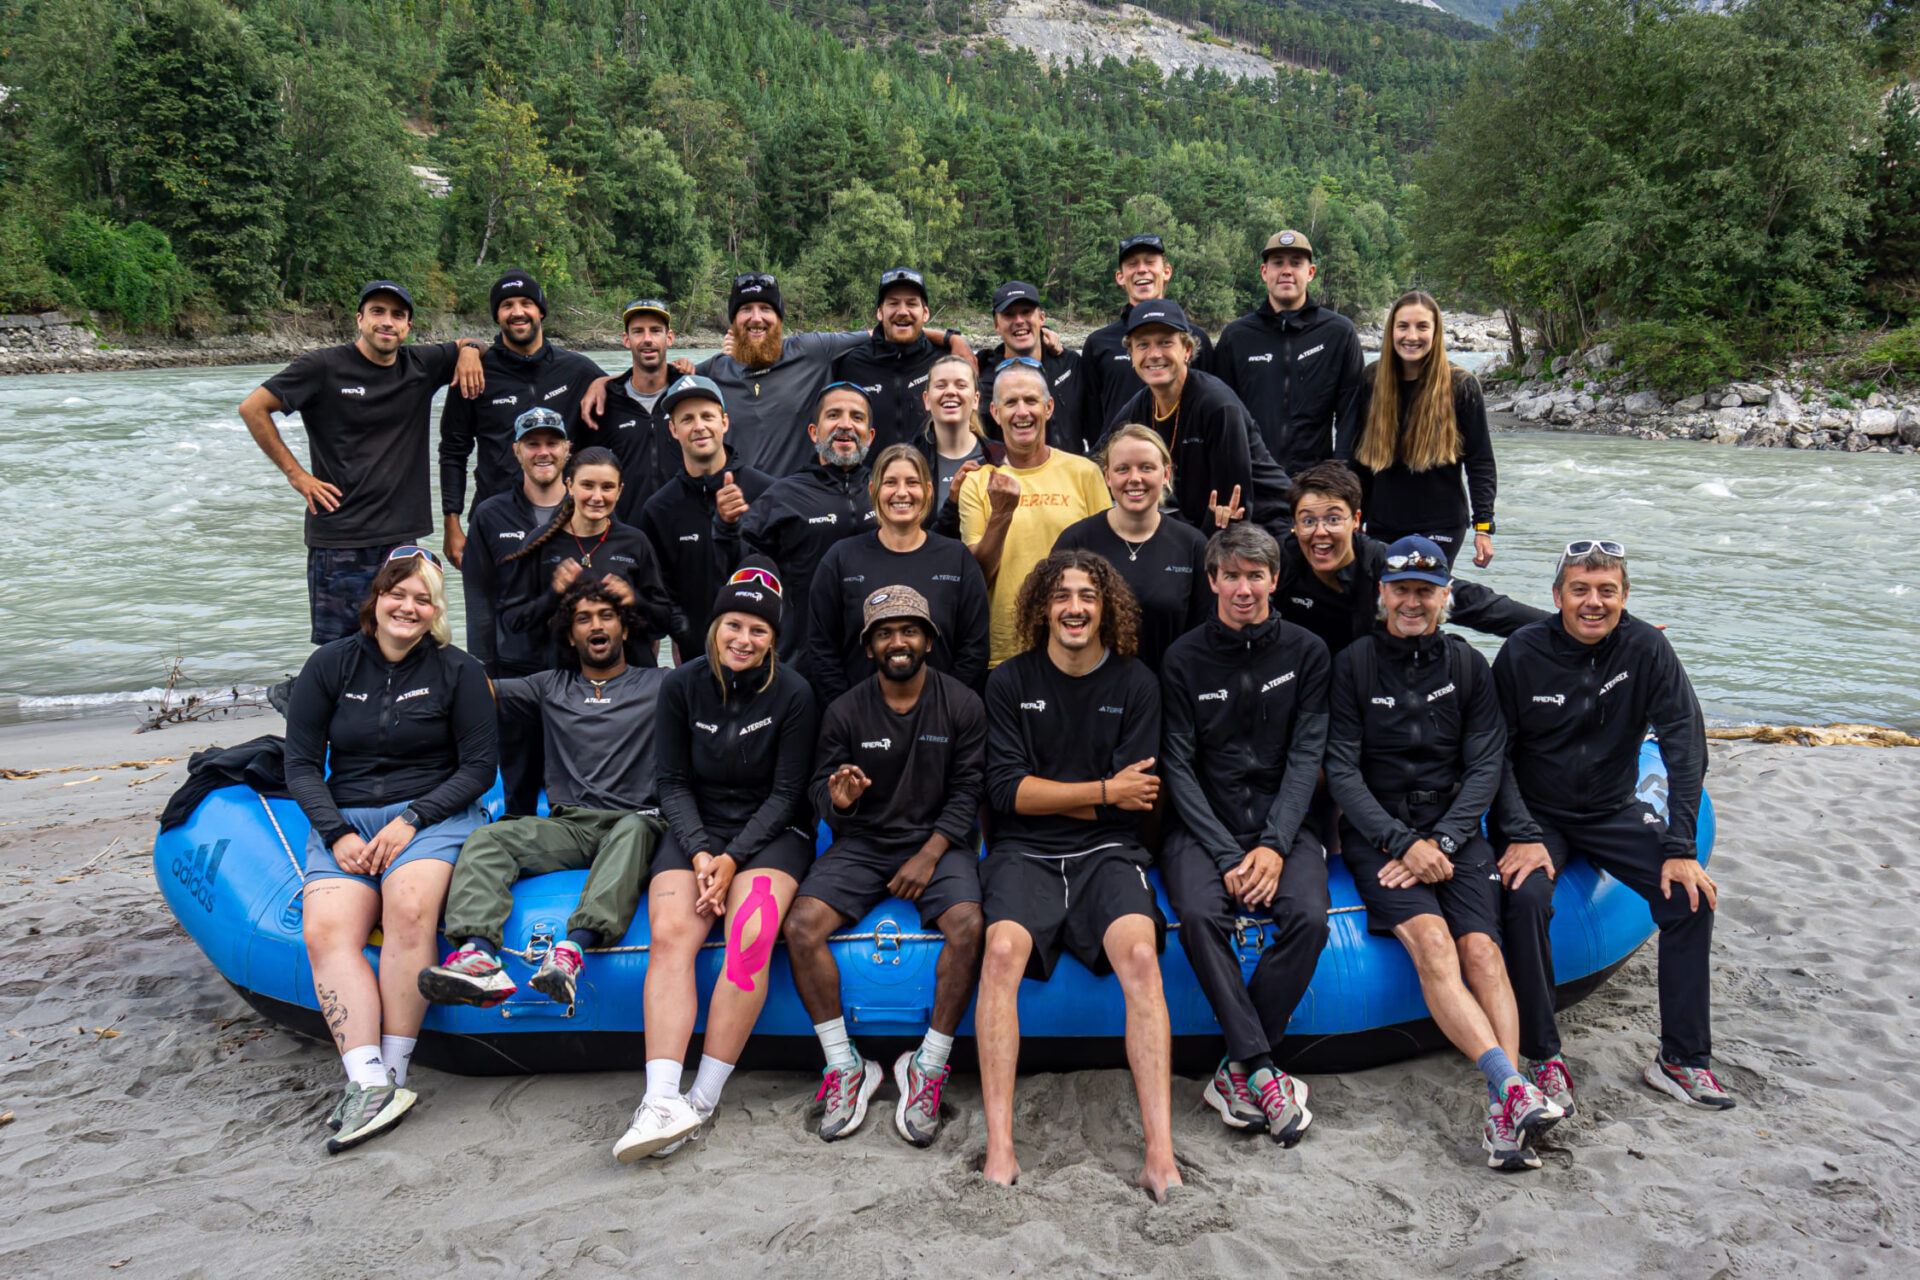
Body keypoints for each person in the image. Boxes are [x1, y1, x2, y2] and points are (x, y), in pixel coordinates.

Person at [1324, 536, 1563, 1173]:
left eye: (1425, 591)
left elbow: (1486, 763)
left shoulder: (1468, 666)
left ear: (1444, 597)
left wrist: (1446, 842)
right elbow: (1341, 770)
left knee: (1482, 950)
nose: (1412, 601)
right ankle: (1512, 1088)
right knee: (1433, 945)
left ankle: (1502, 1110)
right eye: (1400, 589)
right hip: (1381, 833)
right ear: (1382, 594)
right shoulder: (1352, 665)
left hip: (1454, 828)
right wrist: (1402, 843)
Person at [1491, 541, 1727, 1113]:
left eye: (1606, 591)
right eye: (1580, 590)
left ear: (1624, 598)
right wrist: (1520, 832)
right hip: (1538, 816)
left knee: (1690, 900)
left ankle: (1680, 1060)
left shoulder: (1647, 647)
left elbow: (1684, 746)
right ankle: (1543, 1058)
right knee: (1524, 901)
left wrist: (1679, 846)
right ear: (1557, 597)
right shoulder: (1523, 652)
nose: (1592, 603)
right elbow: (1493, 753)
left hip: (1613, 808)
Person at [977, 549, 1179, 1200]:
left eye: (1088, 596)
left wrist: (1069, 794)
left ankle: (1160, 1154)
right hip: (1023, 852)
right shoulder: (1008, 684)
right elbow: (1008, 793)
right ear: (1042, 607)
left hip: (1107, 854)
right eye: (1062, 595)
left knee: (1142, 959)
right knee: (1002, 949)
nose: (1074, 607)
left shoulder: (1136, 684)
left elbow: (1138, 796)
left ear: (1105, 608)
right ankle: (1001, 1150)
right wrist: (1099, 790)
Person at [282, 549, 497, 1154]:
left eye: (423, 598)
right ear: (375, 600)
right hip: (346, 818)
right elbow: (300, 764)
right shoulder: (330, 664)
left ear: (435, 611)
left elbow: (480, 767)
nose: (408, 607)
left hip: (435, 815)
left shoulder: (459, 670)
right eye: (397, 594)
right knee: (326, 930)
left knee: (407, 908)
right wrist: (336, 833)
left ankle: (396, 1070)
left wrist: (413, 819)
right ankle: (368, 1080)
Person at [613, 566, 819, 1161]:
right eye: (734, 624)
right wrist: (702, 850)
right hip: (696, 826)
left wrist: (731, 860)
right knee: (673, 932)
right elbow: (670, 781)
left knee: (750, 935)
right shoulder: (680, 686)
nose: (743, 639)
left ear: (774, 638)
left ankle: (700, 1100)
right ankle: (659, 1100)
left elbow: (786, 796)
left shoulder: (796, 695)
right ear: (715, 627)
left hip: (772, 832)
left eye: (758, 629)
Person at [783, 588, 988, 1145]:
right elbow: (818, 793)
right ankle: (846, 1066)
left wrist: (930, 853)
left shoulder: (963, 703)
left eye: (909, 630)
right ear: (869, 645)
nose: (898, 641)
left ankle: (927, 1066)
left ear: (928, 639)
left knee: (970, 927)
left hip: (938, 845)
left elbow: (970, 789)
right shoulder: (845, 709)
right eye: (884, 633)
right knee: (800, 927)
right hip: (865, 844)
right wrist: (840, 799)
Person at [418, 578, 670, 1010]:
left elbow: (720, 667)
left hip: (637, 820)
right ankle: (478, 955)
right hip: (571, 825)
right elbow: (476, 686)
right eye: (584, 619)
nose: (597, 625)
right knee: (488, 838)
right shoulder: (550, 686)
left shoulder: (662, 684)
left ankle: (572, 951)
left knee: (634, 827)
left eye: (607, 616)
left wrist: (641, 597)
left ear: (625, 630)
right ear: (571, 636)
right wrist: (426, 627)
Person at [1158, 523, 1329, 1144]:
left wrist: (1274, 844)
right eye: (1231, 576)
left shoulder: (1308, 652)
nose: (1243, 589)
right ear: (1212, 582)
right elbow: (1176, 765)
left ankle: (1239, 1065)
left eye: (1256, 576)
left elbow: (1309, 755)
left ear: (1275, 580)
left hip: (1283, 823)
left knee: (1310, 918)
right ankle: (1260, 1066)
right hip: (1203, 827)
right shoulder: (1182, 658)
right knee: (1202, 916)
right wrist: (1230, 853)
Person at [239, 280, 485, 646]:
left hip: (401, 538)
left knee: (405, 644)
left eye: (397, 315)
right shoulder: (322, 367)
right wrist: (297, 476)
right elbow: (253, 408)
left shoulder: (420, 364)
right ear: (359, 319)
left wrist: (469, 353)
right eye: (377, 312)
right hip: (340, 537)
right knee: (340, 651)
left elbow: (473, 343)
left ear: (408, 327)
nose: (387, 322)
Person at [673, 273, 968, 478]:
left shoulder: (813, 349)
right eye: (745, 310)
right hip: (739, 502)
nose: (756, 318)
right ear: (733, 322)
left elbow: (888, 330)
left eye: (766, 308)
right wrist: (681, 369)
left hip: (805, 496)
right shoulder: (712, 371)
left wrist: (953, 340)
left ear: (779, 318)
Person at [1276, 461, 1546, 661]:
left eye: (1334, 519)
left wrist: (1561, 626)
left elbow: (1473, 603)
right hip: (1310, 687)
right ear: (1295, 525)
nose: (1320, 532)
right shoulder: (1280, 563)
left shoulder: (1384, 562)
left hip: (1373, 686)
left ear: (1357, 521)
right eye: (1308, 521)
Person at [438, 271, 608, 566]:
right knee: (493, 610)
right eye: (507, 305)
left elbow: (629, 397)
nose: (517, 312)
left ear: (541, 310)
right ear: (497, 315)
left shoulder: (578, 371)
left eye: (526, 303)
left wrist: (608, 381)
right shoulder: (475, 374)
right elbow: (453, 451)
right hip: (496, 517)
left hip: (568, 517)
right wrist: (451, 523)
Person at [804, 444, 990, 701]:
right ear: (873, 491)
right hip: (861, 724)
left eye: (912, 482)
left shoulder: (957, 559)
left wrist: (945, 708)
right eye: (890, 482)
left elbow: (974, 650)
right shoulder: (841, 559)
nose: (902, 492)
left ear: (928, 491)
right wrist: (848, 711)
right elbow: (822, 649)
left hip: (941, 721)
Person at [957, 363, 1112, 667]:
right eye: (1011, 403)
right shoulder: (978, 482)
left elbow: (1107, 565)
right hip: (1006, 654)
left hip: (1078, 646)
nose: (1022, 412)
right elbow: (976, 578)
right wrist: (1001, 513)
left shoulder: (1085, 473)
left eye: (1031, 401)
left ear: (1049, 407)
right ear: (995, 412)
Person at [725, 382, 878, 676]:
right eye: (833, 415)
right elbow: (737, 566)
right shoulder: (781, 496)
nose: (845, 425)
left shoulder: (888, 490)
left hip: (875, 658)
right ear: (813, 432)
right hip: (805, 659)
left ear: (870, 436)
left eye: (857, 417)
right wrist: (726, 527)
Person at [461, 406, 570, 814]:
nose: (544, 452)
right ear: (517, 451)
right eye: (533, 444)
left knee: (573, 769)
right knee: (520, 774)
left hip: (576, 667)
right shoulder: (491, 514)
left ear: (566, 450)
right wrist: (483, 669)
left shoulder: (588, 509)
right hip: (514, 665)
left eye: (552, 443)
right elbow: (478, 595)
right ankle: (517, 827)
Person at [1339, 291, 1497, 568]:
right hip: (1381, 523)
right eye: (1403, 326)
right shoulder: (1371, 380)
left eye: (1422, 326)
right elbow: (1356, 461)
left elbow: (1480, 460)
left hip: (1441, 526)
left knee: (1422, 598)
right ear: (1391, 331)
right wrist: (1351, 515)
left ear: (1436, 333)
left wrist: (1483, 526)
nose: (1411, 336)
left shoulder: (1461, 385)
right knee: (1384, 602)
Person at [1108, 299, 1290, 540]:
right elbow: (1100, 460)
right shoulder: (1140, 406)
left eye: (1165, 343)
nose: (1154, 354)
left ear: (1187, 350)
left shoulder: (1217, 405)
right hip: (1202, 527)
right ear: (1131, 355)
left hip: (1267, 527)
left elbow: (1231, 508)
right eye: (1142, 345)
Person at [636, 374, 776, 662]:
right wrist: (682, 633)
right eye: (687, 419)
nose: (699, 427)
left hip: (764, 657)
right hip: (696, 659)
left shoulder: (767, 491)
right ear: (673, 430)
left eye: (707, 416)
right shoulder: (659, 508)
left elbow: (781, 576)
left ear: (724, 422)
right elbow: (660, 592)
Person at [499, 446, 679, 666]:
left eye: (607, 487)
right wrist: (552, 595)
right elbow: (512, 621)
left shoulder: (635, 542)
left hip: (630, 677)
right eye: (587, 485)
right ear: (569, 486)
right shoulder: (541, 543)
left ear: (620, 490)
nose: (597, 497)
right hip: (563, 680)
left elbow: (664, 622)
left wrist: (634, 600)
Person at [1054, 424, 1210, 672]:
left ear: (1166, 474)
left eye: (1146, 467)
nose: (1134, 478)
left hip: (1170, 692)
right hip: (1093, 693)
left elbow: (1204, 635)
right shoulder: (1076, 541)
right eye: (1122, 469)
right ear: (1107, 476)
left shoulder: (1193, 545)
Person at [1214, 230, 1366, 476]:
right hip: (1254, 481)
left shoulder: (1338, 333)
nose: (1287, 270)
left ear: (1311, 272)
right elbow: (1221, 416)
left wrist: (1340, 476)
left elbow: (1351, 415)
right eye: (1278, 263)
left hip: (1316, 483)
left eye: (1296, 263)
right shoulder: (1236, 337)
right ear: (1265, 273)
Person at [1080, 233, 1216, 443]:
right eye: (1132, 264)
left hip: (1184, 461)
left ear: (1167, 272)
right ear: (1120, 277)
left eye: (1150, 262)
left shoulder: (1196, 338)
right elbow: (1091, 420)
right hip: (1121, 465)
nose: (1142, 269)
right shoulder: (1098, 344)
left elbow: (1211, 405)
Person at [578, 298, 684, 523]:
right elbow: (585, 470)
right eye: (638, 332)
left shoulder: (688, 396)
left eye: (656, 331)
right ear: (626, 340)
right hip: (626, 534)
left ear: (670, 338)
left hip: (684, 531)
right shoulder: (606, 403)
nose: (647, 339)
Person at [832, 268, 960, 452]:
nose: (902, 311)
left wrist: (955, 339)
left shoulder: (944, 361)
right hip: (870, 479)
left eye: (911, 303)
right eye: (893, 303)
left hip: (930, 478)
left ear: (925, 313)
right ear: (879, 313)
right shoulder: (851, 364)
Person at [974, 282, 1084, 452]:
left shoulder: (1070, 364)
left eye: (1026, 312)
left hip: (1069, 475)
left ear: (1041, 318)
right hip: (1010, 475)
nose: (1019, 321)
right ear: (996, 325)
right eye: (1009, 315)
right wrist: (950, 338)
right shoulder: (983, 376)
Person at [914, 353, 1005, 538]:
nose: (950, 392)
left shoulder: (1001, 457)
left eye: (961, 385)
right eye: (940, 385)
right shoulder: (909, 459)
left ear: (976, 400)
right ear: (927, 400)